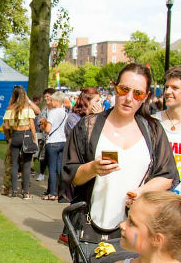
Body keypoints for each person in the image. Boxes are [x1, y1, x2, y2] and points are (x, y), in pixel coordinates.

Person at [62, 63, 177, 238]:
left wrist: (142, 192)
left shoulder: (153, 130)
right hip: (90, 229)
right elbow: (70, 175)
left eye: (137, 93)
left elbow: (167, 175)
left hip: (136, 231)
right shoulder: (87, 127)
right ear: (115, 88)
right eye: (124, 90)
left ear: (145, 97)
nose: (129, 98)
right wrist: (93, 168)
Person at [3, 85, 37, 199]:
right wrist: (34, 138)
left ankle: (14, 191)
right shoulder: (27, 108)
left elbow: (6, 126)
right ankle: (26, 192)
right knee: (27, 166)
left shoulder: (9, 109)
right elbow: (32, 126)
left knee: (14, 165)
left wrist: (9, 138)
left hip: (15, 136)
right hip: (26, 135)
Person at [153, 65, 181, 191]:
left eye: (175, 88)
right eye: (166, 87)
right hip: (157, 197)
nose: (168, 92)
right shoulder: (152, 122)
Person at [41, 90, 68, 200]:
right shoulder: (65, 112)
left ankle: (52, 193)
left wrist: (43, 125)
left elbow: (48, 129)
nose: (50, 102)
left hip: (53, 142)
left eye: (52, 100)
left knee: (51, 169)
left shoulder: (53, 112)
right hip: (63, 141)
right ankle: (58, 191)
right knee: (58, 168)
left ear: (57, 101)